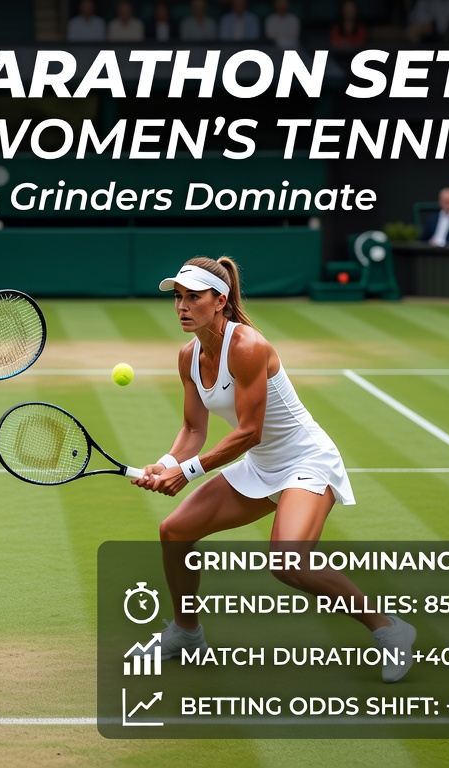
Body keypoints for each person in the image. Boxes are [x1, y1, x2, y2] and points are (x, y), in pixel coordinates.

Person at [136, 257, 415, 683]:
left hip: (306, 460)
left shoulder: (248, 347)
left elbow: (249, 431)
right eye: (178, 297)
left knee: (288, 561)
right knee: (174, 532)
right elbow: (193, 429)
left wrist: (187, 473)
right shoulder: (188, 355)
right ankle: (186, 634)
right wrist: (167, 463)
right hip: (262, 464)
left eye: (193, 297)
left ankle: (390, 629)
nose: (182, 306)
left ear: (220, 301)